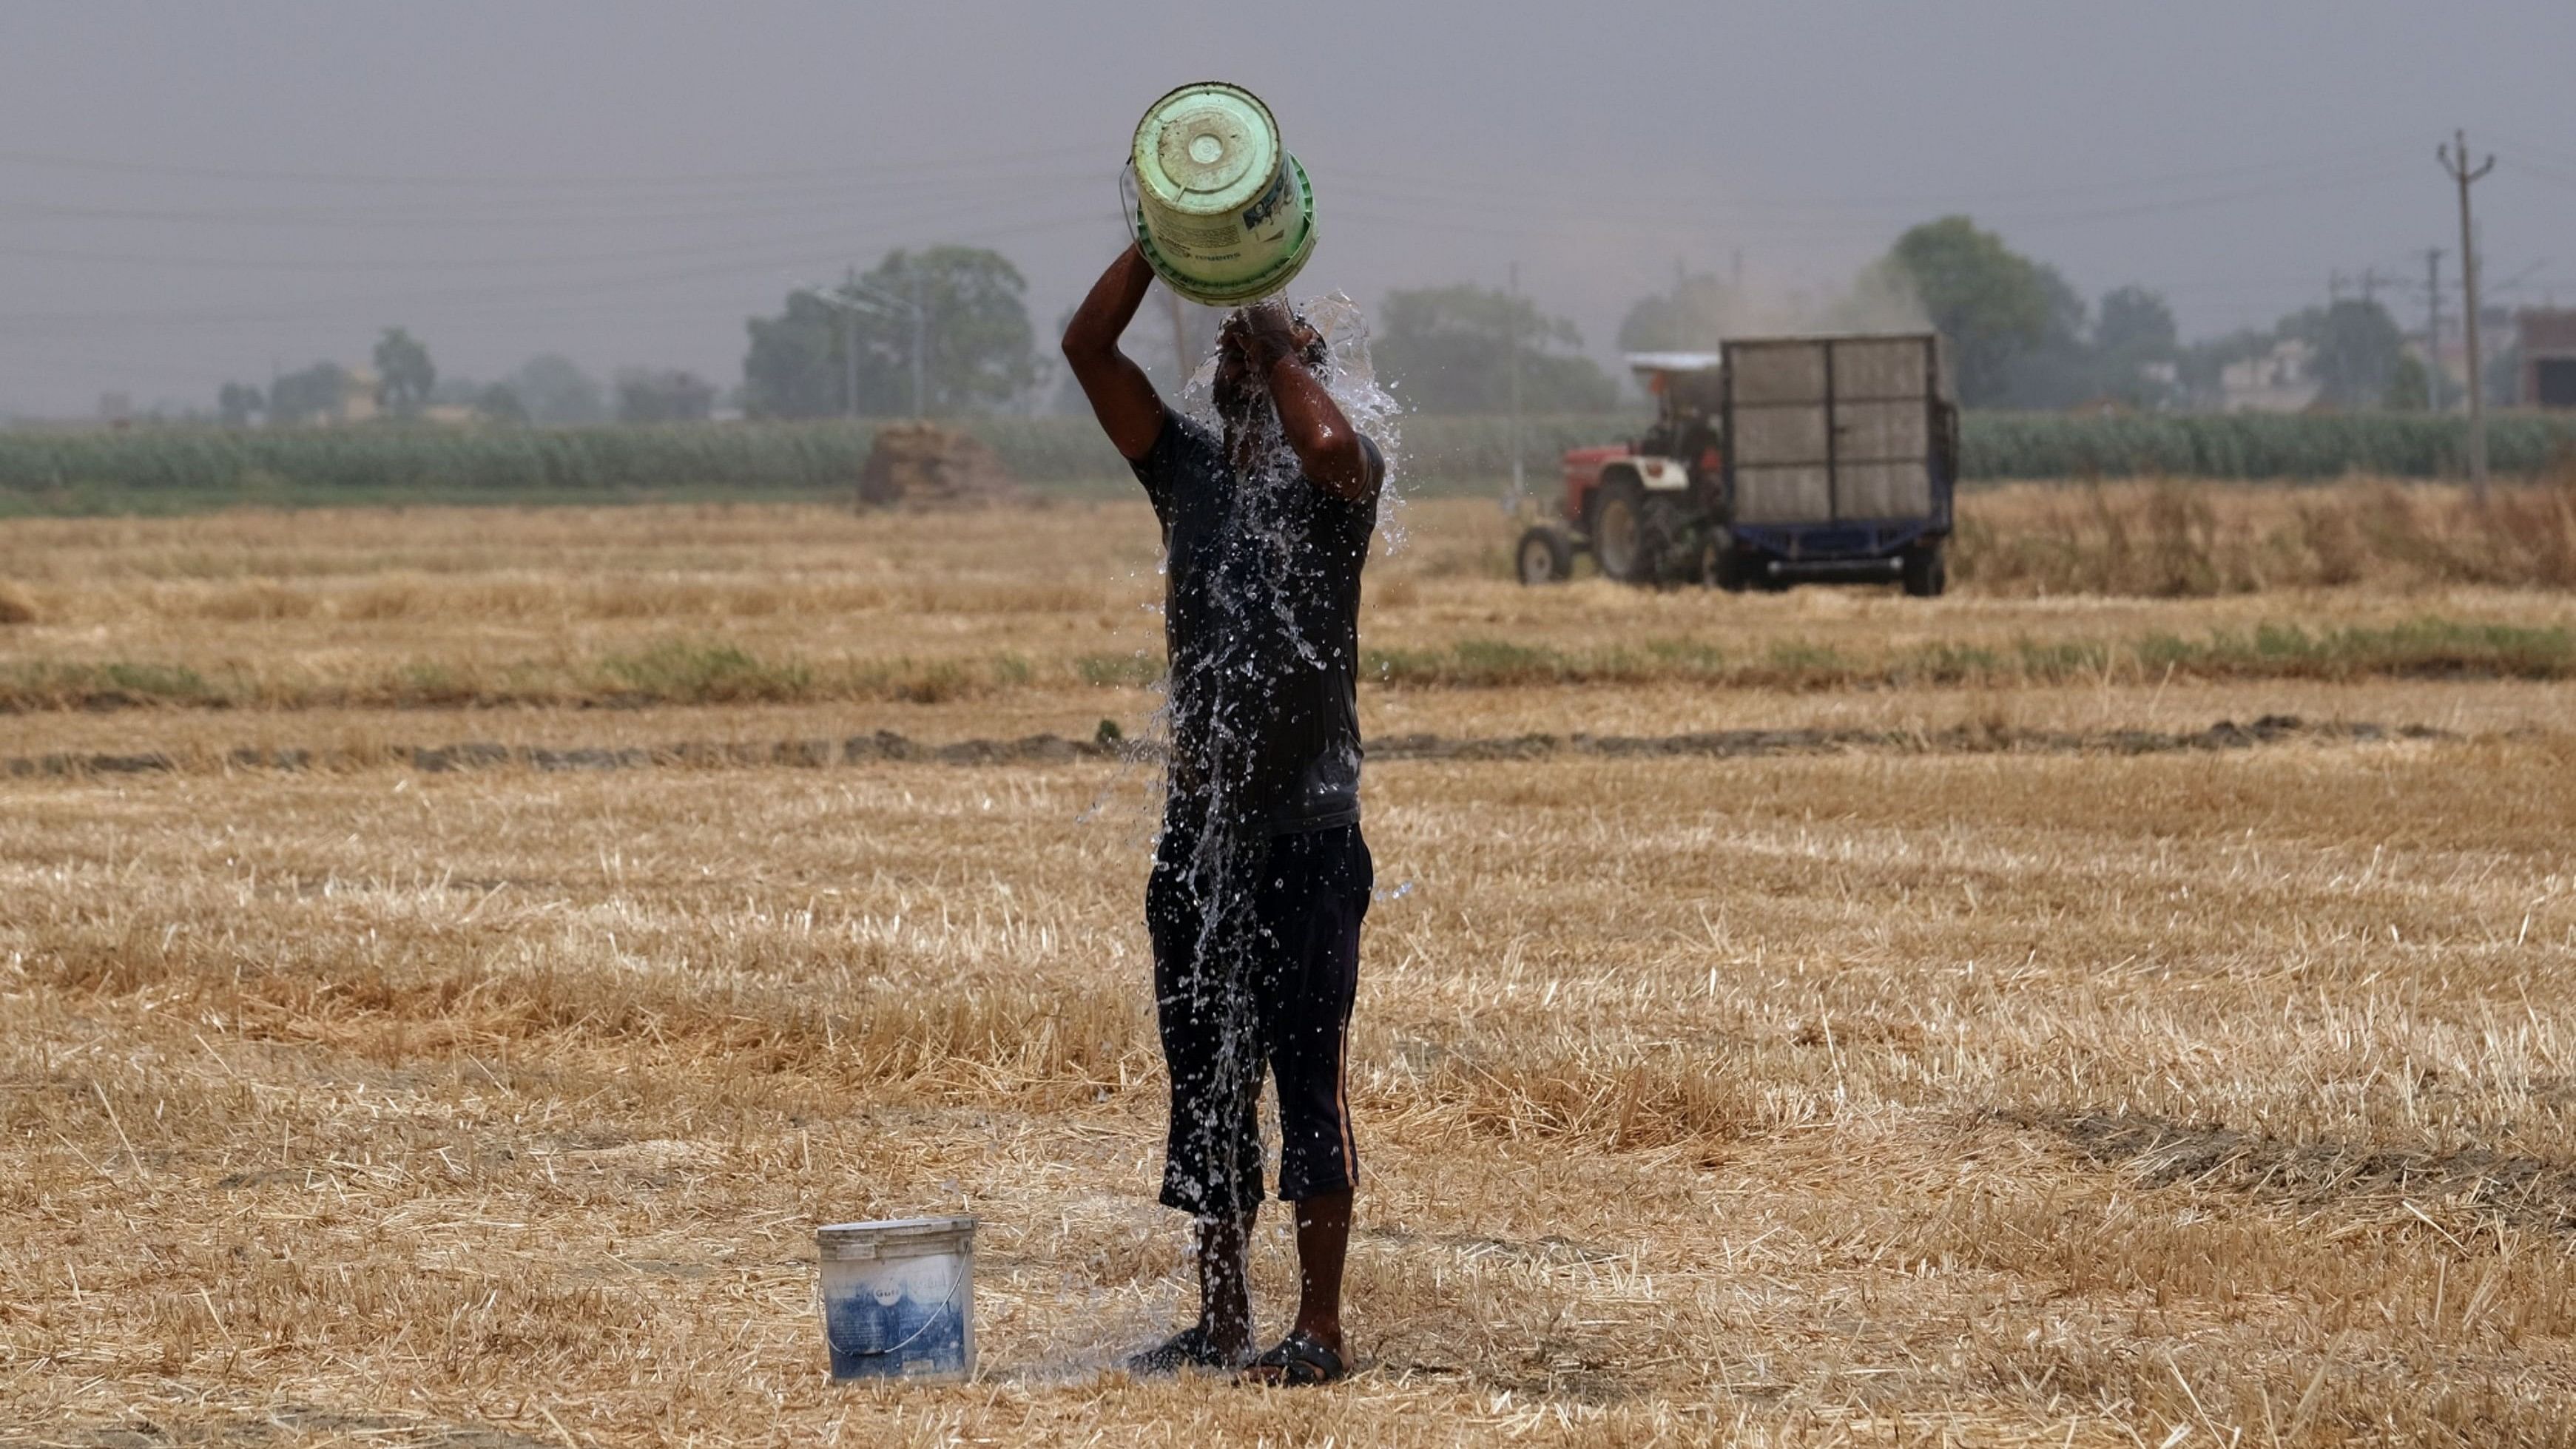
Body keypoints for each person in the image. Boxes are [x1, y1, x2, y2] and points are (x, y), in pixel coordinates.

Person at [1061, 244, 1385, 1388]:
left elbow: (1331, 439)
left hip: (1307, 836)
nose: (1236, 376)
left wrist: (1269, 320)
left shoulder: (1340, 485)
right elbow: (1086, 350)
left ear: (1307, 373)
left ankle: (1319, 1333)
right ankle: (1218, 1320)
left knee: (1306, 1082)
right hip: (1199, 837)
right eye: (1231, 365)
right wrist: (1163, 244)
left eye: (1265, 366)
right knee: (1203, 1078)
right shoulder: (1183, 472)